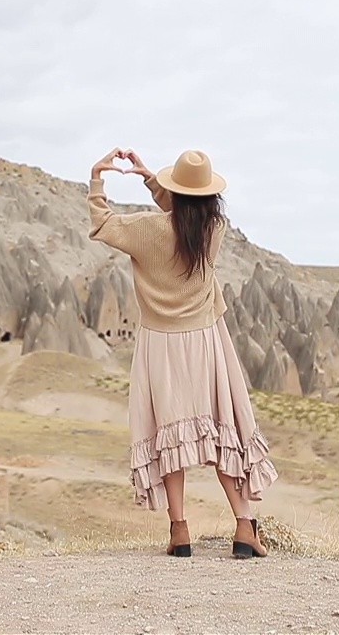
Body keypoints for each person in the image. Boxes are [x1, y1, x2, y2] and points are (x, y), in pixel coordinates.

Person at [87, 147, 278, 559]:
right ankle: (245, 528)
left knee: (169, 435)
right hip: (207, 341)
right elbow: (185, 216)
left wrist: (98, 177)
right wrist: (151, 180)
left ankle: (180, 532)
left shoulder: (146, 230)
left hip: (160, 344)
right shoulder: (214, 230)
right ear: (210, 198)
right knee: (219, 431)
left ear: (174, 191)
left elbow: (102, 223)